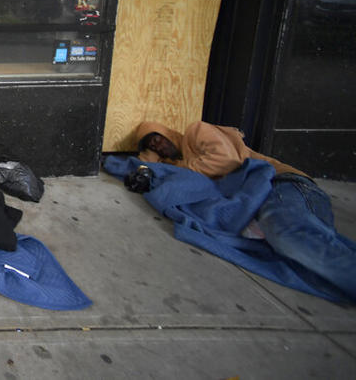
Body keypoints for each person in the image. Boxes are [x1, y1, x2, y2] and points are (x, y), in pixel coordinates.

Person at [135, 120, 356, 302]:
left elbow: (225, 160)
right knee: (298, 251)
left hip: (280, 183)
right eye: (153, 147)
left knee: (287, 236)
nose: (159, 147)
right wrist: (152, 157)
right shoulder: (176, 161)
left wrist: (176, 167)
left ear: (166, 132)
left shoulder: (195, 132)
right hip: (255, 202)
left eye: (158, 140)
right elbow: (142, 166)